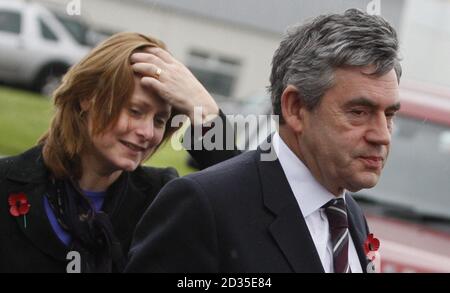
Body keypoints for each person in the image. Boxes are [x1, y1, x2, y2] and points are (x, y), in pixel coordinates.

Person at [125, 9, 402, 273]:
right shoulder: (202, 206)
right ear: (295, 108)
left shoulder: (348, 215)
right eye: (358, 112)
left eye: (389, 115)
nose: (382, 134)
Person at [0, 32, 238, 273]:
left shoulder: (160, 199)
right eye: (135, 111)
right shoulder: (7, 181)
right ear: (87, 98)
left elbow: (242, 221)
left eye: (159, 120)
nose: (147, 132)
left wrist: (206, 111)